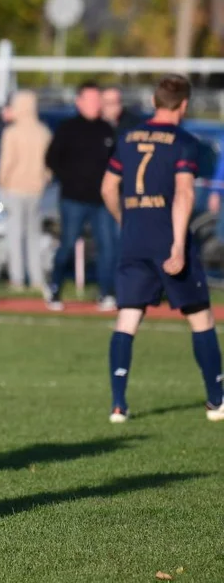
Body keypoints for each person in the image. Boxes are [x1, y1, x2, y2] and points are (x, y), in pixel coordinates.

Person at [100, 74, 224, 423]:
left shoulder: (127, 137)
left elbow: (108, 187)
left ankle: (118, 404)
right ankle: (216, 400)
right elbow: (183, 194)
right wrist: (179, 244)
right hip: (167, 238)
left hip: (135, 238)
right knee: (201, 317)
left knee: (128, 318)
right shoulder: (183, 141)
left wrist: (125, 219)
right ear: (183, 105)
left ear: (154, 102)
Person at [45, 81, 118, 311]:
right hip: (73, 199)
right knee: (67, 243)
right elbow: (51, 159)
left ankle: (106, 292)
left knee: (107, 245)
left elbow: (116, 164)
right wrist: (70, 178)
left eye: (99, 100)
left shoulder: (107, 130)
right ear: (79, 101)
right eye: (91, 99)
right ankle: (55, 287)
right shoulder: (67, 128)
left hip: (102, 201)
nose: (96, 104)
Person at [0, 91, 52, 292]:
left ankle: (17, 279)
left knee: (15, 235)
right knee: (33, 235)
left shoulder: (12, 132)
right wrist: (43, 180)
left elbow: (7, 163)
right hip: (37, 190)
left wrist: (2, 184)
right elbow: (49, 164)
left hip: (14, 188)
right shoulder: (43, 131)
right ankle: (37, 279)